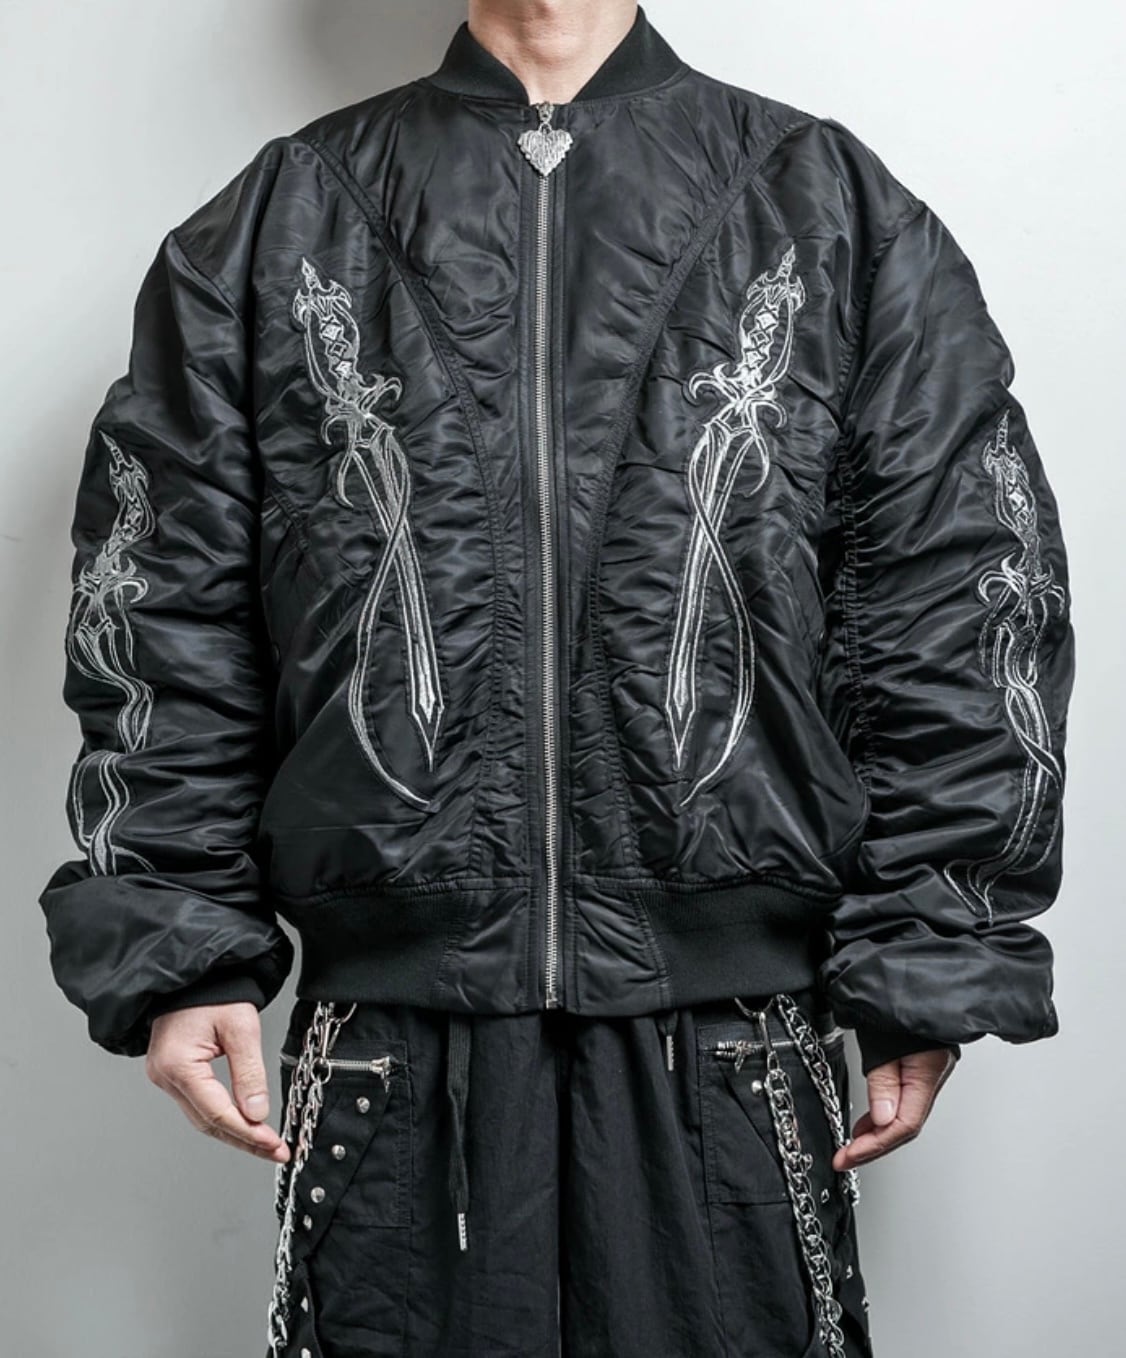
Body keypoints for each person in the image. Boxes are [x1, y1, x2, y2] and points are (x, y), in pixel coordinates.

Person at [38, 2, 1076, 1355]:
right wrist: (180, 938)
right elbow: (160, 606)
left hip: (731, 1038)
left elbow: (958, 594)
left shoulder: (827, 208)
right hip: (395, 1041)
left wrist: (928, 948)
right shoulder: (278, 223)